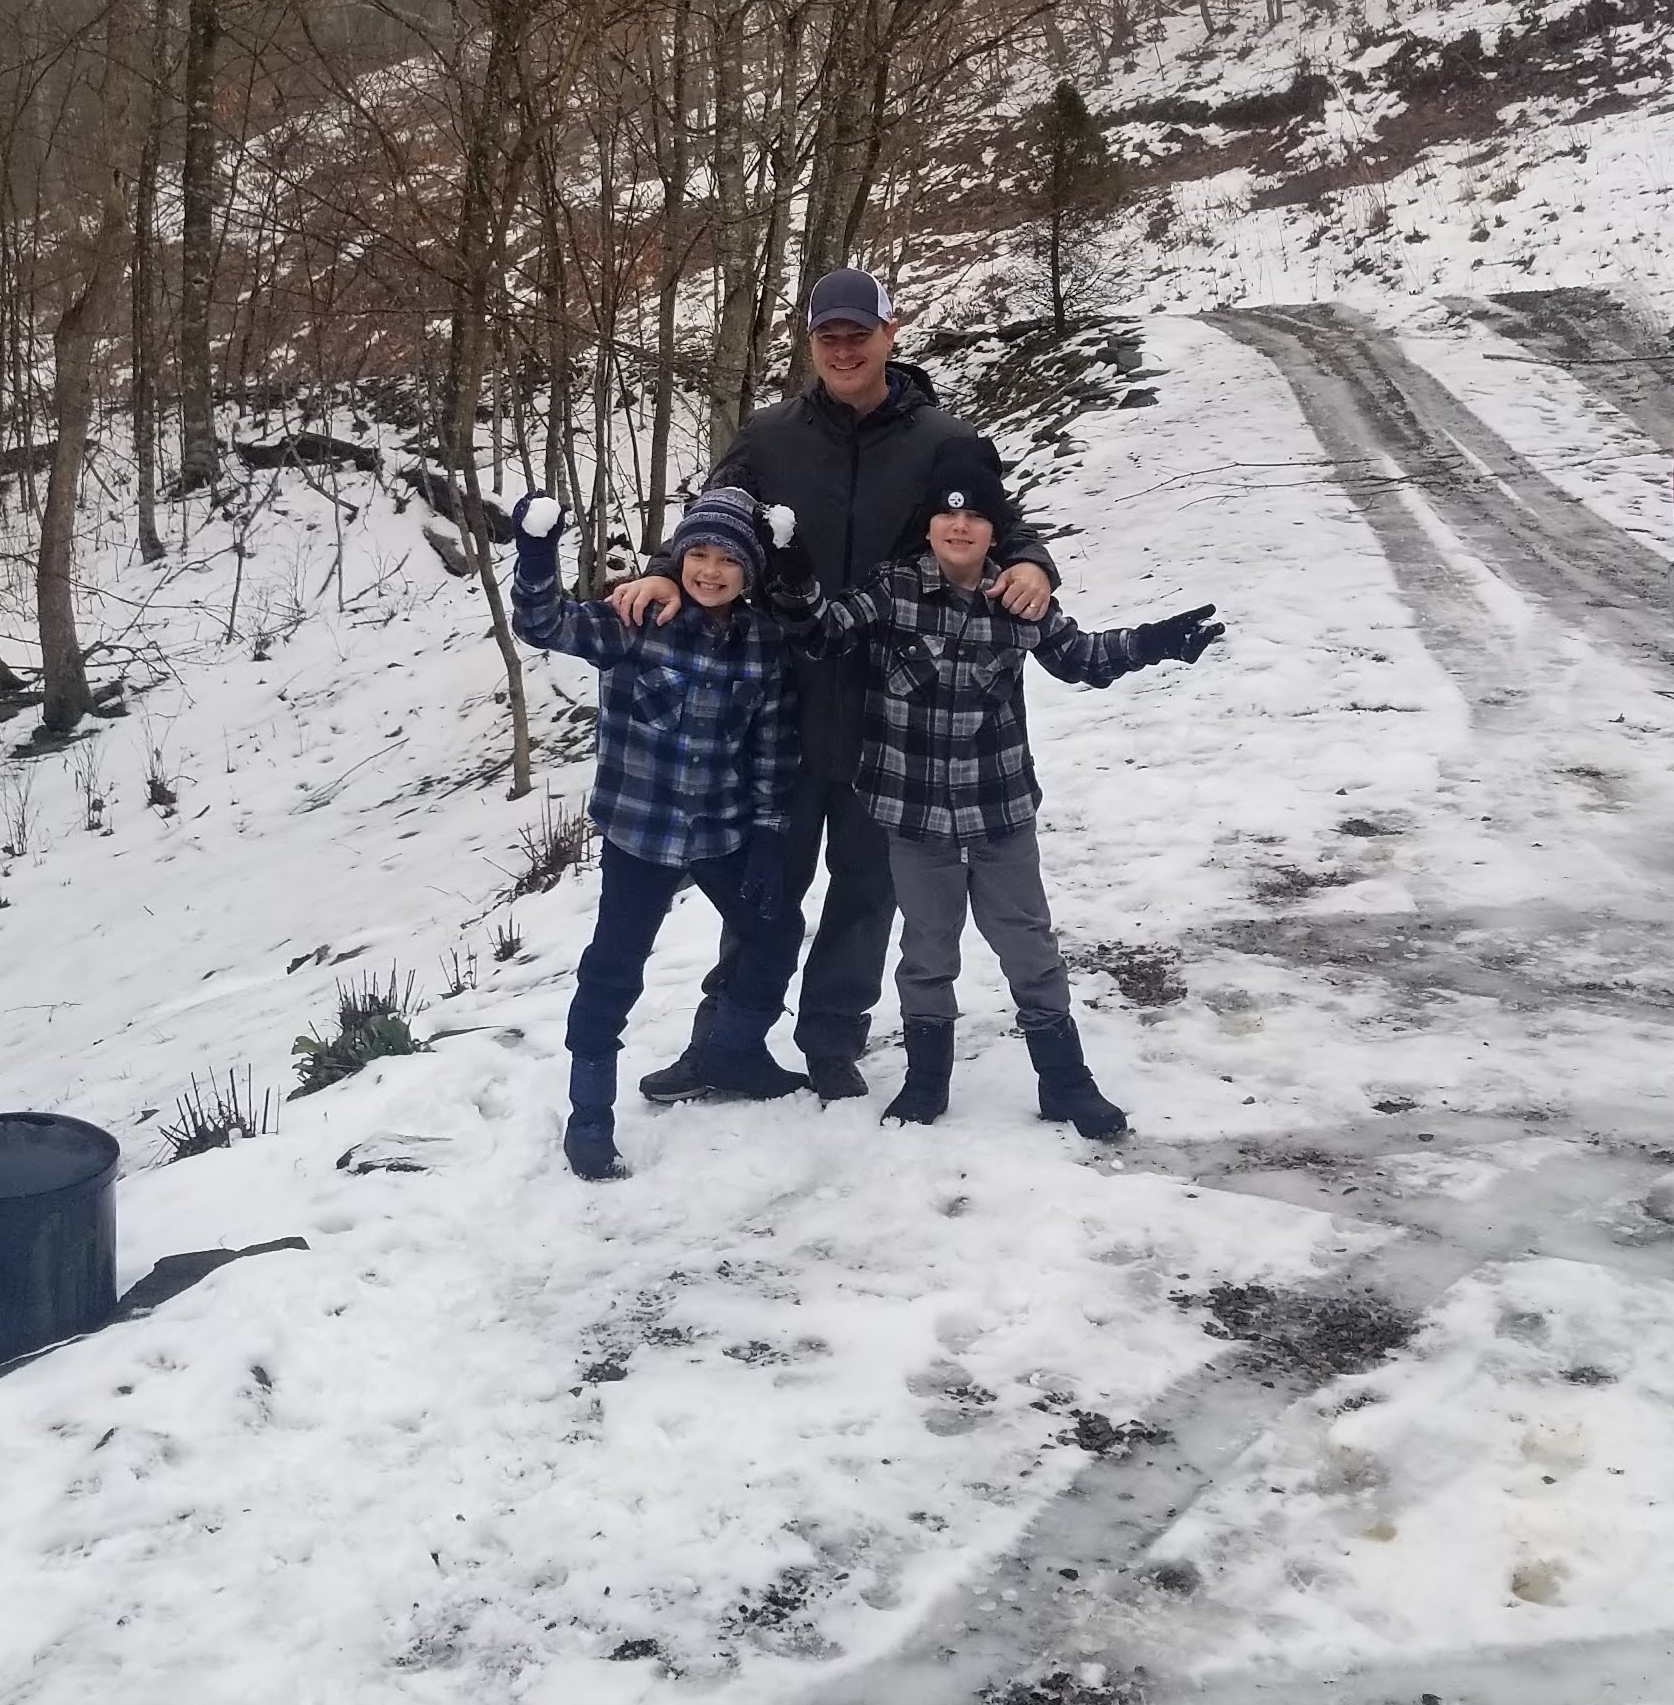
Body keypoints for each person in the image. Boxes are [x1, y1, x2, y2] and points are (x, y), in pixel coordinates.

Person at [608, 266, 1059, 1102]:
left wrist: (1031, 562)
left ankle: (829, 1040)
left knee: (865, 885)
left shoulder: (941, 438)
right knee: (764, 880)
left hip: (895, 703)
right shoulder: (770, 435)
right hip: (780, 696)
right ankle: (725, 1041)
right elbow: (714, 518)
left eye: (859, 334)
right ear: (811, 343)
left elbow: (996, 521)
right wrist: (668, 571)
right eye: (828, 337)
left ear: (892, 332)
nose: (844, 350)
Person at [803, 441, 1224, 1133]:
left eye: (975, 517)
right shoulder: (893, 589)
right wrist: (793, 573)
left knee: (1029, 947)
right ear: (928, 525)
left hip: (999, 813)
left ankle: (1065, 1082)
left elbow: (1082, 657)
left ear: (995, 531)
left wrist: (1154, 642)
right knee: (926, 952)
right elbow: (824, 628)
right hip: (914, 819)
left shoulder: (1016, 597)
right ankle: (925, 1083)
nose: (959, 526)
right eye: (946, 515)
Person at [509, 481, 814, 1180]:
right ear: (679, 557)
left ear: (749, 572)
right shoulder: (636, 618)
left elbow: (772, 745)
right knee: (613, 969)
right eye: (698, 555)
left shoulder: (762, 643)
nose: (711, 571)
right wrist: (536, 552)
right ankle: (590, 1113)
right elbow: (545, 624)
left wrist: (770, 834)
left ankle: (733, 1051)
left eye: (728, 560)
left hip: (722, 832)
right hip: (640, 833)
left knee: (775, 936)